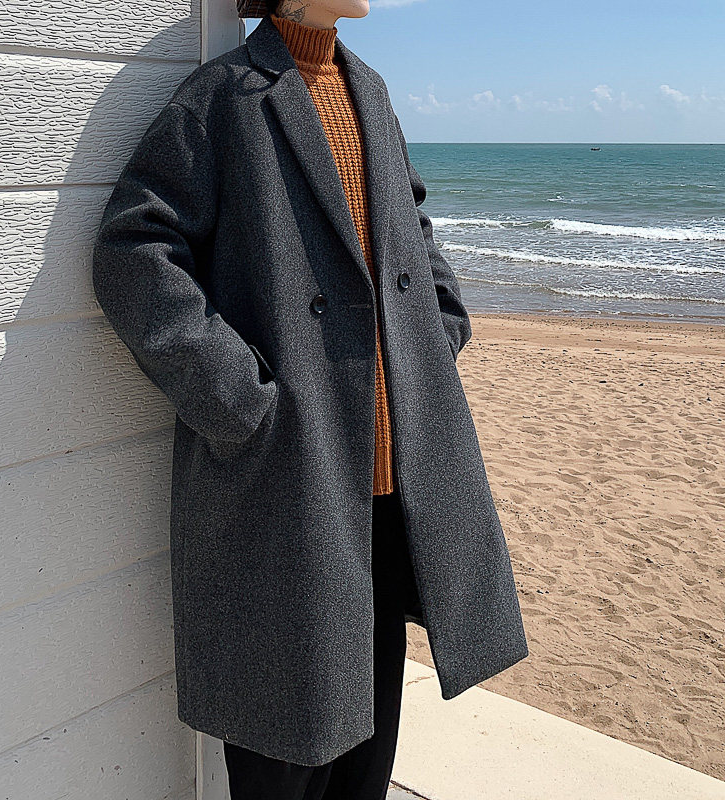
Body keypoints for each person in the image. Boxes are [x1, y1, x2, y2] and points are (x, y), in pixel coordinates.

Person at [92, 0, 529, 797]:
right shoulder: (224, 97)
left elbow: (409, 220)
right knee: (285, 749)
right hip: (290, 485)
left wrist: (439, 327)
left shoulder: (369, 87)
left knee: (367, 762)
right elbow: (133, 247)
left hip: (391, 491)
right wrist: (239, 398)